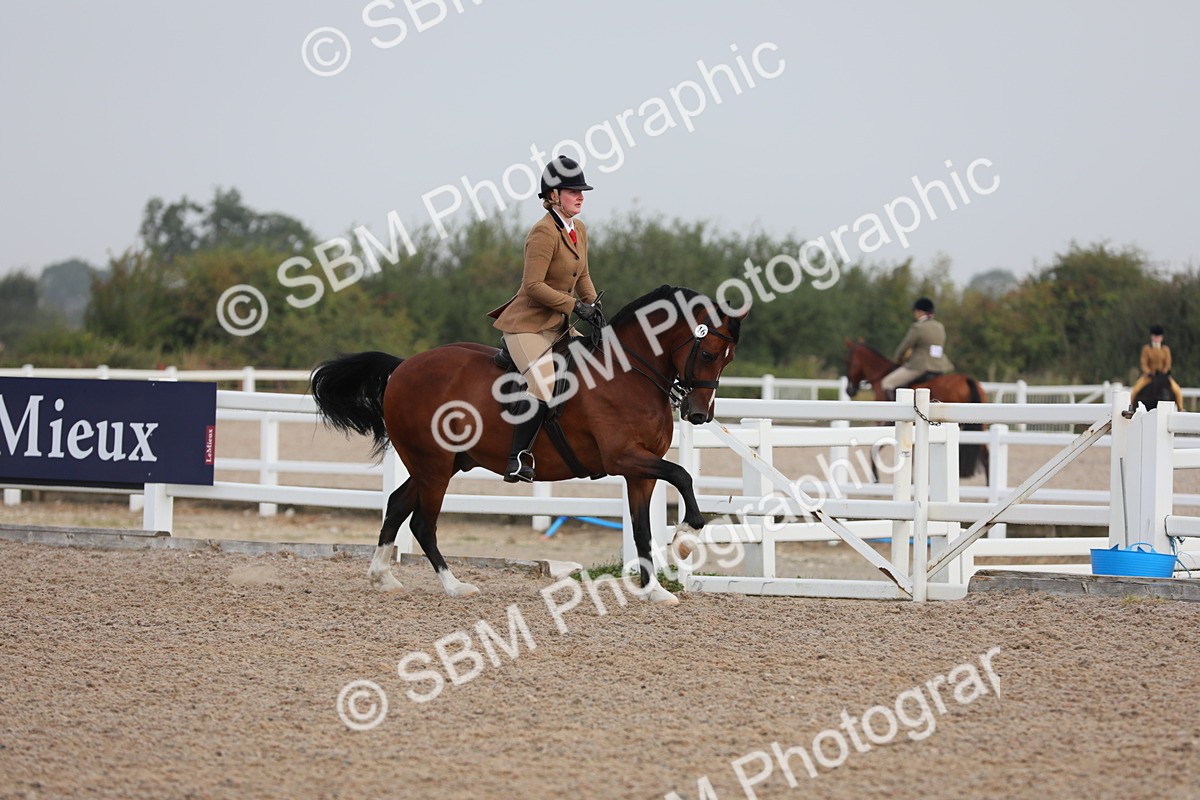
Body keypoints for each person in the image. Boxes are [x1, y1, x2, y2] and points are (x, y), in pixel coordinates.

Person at [487, 155, 602, 482]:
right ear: (553, 195)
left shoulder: (579, 228)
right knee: (544, 381)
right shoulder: (543, 232)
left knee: (596, 362)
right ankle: (517, 458)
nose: (580, 196)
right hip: (526, 326)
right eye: (572, 191)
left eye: (582, 191)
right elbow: (533, 286)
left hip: (557, 327)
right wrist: (575, 307)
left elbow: (583, 277)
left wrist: (595, 308)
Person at [881, 297, 954, 401]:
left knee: (887, 383)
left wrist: (897, 359)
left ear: (919, 312)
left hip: (920, 366)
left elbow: (905, 345)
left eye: (915, 312)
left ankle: (895, 415)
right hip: (940, 366)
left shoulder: (918, 327)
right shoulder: (940, 327)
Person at [1126, 324, 1184, 415]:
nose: (1156, 338)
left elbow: (1168, 363)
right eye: (1155, 336)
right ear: (1151, 337)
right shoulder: (1147, 349)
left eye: (1158, 336)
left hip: (1163, 376)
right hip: (1149, 376)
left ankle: (1181, 409)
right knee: (1135, 389)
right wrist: (1149, 372)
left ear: (1161, 338)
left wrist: (1164, 372)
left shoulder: (1165, 349)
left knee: (1177, 390)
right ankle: (1131, 407)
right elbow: (1143, 363)